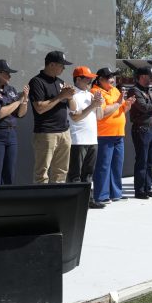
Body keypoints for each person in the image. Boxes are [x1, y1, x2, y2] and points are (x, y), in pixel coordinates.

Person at [29, 50, 77, 183]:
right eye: (61, 65)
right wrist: (61, 96)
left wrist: (70, 96)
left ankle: (58, 202)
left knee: (61, 172)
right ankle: (42, 203)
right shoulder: (37, 82)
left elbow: (73, 108)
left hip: (64, 132)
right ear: (51, 65)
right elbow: (39, 108)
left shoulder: (61, 82)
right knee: (42, 173)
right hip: (46, 133)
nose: (64, 68)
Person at [91, 67, 134, 204]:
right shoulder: (96, 92)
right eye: (109, 77)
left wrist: (127, 104)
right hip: (104, 134)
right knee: (103, 166)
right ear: (100, 79)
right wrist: (118, 103)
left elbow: (122, 110)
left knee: (117, 165)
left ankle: (116, 193)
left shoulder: (115, 90)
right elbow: (102, 113)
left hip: (118, 134)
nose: (112, 80)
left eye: (113, 77)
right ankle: (102, 196)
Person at [68, 66, 104, 209]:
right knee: (75, 174)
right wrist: (92, 106)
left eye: (91, 78)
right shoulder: (72, 95)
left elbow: (100, 116)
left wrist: (98, 104)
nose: (90, 81)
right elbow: (75, 117)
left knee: (88, 173)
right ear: (78, 79)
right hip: (77, 140)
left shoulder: (90, 95)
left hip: (92, 139)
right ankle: (76, 203)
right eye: (87, 78)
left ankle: (88, 200)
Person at [129, 66, 152, 199]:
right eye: (148, 77)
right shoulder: (134, 91)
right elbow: (144, 108)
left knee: (150, 161)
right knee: (142, 160)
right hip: (141, 129)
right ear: (141, 76)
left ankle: (147, 188)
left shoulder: (149, 91)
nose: (150, 80)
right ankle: (139, 190)